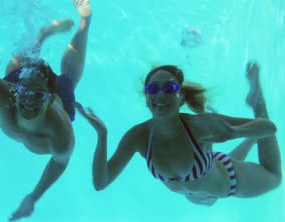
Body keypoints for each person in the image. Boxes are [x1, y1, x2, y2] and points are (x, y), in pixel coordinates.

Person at [0, 0, 92, 221]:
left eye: (38, 96)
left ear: (49, 98)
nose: (29, 101)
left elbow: (59, 162)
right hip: (25, 80)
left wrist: (33, 197)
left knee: (69, 78)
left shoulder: (60, 134)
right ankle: (43, 34)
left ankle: (85, 22)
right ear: (15, 89)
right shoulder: (6, 94)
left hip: (52, 97)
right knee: (19, 64)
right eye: (23, 92)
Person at [76, 61, 281, 205]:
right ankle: (249, 137)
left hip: (229, 180)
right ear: (147, 98)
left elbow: (268, 127)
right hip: (201, 190)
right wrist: (102, 136)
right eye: (153, 88)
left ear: (181, 98)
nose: (160, 94)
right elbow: (100, 182)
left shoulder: (199, 125)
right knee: (217, 164)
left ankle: (257, 101)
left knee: (274, 176)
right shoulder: (137, 137)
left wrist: (233, 132)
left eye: (170, 87)